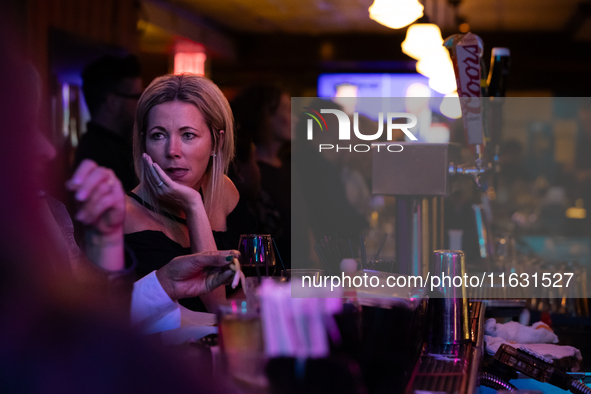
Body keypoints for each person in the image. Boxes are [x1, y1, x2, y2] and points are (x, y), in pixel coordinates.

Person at [125, 73, 242, 312]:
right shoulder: (125, 215)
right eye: (158, 135)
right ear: (143, 141)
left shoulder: (224, 191)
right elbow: (216, 307)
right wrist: (193, 204)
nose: (172, 151)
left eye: (188, 135)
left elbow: (253, 285)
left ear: (217, 143)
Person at [231, 84, 292, 266]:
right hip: (273, 283)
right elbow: (255, 249)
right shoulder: (249, 176)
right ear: (264, 116)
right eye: (288, 109)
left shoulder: (288, 165)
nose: (295, 117)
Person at [74, 54, 143, 192]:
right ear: (112, 101)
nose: (141, 105)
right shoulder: (97, 159)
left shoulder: (119, 148)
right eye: (137, 97)